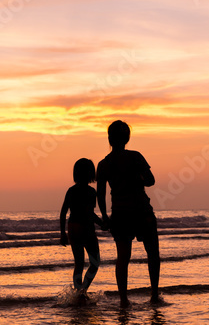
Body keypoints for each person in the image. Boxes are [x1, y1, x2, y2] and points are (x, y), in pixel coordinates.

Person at [96, 120, 162, 307]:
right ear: (127, 138)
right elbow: (150, 181)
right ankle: (154, 295)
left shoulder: (104, 164)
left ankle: (124, 299)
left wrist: (104, 216)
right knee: (153, 254)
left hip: (120, 214)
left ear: (109, 138)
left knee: (123, 257)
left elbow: (100, 195)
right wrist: (137, 177)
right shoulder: (136, 157)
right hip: (142, 211)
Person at [59, 158, 104, 294]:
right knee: (94, 263)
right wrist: (102, 223)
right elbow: (89, 213)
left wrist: (63, 233)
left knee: (78, 264)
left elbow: (62, 213)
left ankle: (78, 291)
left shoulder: (71, 190)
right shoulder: (91, 192)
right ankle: (83, 289)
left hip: (73, 227)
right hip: (86, 228)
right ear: (91, 173)